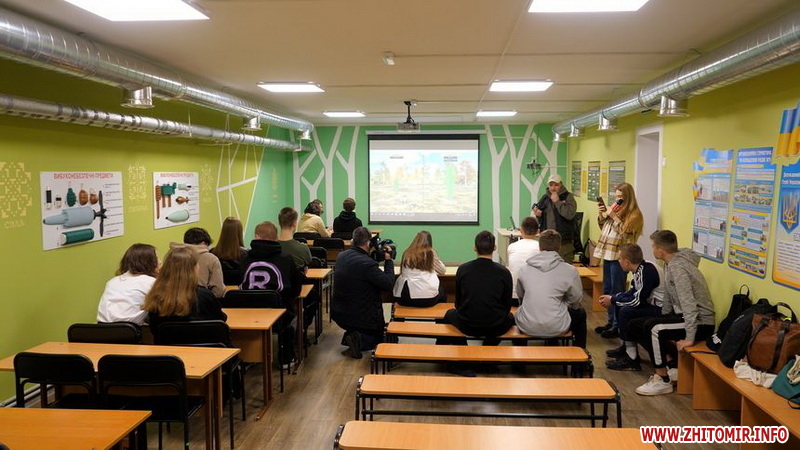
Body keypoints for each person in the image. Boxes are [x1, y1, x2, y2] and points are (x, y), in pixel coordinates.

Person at [626, 230, 716, 396]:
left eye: (653, 246)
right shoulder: (669, 264)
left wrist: (690, 337)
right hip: (683, 317)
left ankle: (662, 379)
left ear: (660, 251)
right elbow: (669, 294)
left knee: (654, 329)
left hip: (701, 322)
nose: (652, 250)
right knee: (635, 325)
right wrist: (663, 316)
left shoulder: (679, 268)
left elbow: (688, 303)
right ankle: (672, 365)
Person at [240, 221, 304, 364]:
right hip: (280, 314)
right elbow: (296, 289)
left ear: (256, 237)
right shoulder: (286, 258)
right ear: (276, 238)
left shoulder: (245, 259)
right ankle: (286, 359)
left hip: (247, 313)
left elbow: (240, 283)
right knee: (290, 320)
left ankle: (246, 358)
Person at [514, 230, 586, 348]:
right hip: (557, 326)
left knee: (520, 311)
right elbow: (575, 299)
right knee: (580, 313)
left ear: (539, 246)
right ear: (559, 247)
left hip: (527, 325)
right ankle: (580, 354)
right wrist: (564, 304)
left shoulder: (524, 269)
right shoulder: (570, 270)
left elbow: (521, 296)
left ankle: (518, 356)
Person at [331, 226, 394, 359]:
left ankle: (352, 334)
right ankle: (359, 339)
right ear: (368, 243)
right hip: (362, 315)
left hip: (340, 313)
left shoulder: (342, 256)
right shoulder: (368, 264)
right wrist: (388, 260)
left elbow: (359, 268)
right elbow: (388, 284)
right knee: (380, 339)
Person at [443, 231, 514, 346]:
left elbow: (458, 303)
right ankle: (489, 346)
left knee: (448, 315)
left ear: (474, 248)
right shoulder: (504, 272)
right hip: (495, 326)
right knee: (510, 318)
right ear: (494, 248)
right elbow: (507, 306)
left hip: (467, 325)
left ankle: (462, 347)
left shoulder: (463, 269)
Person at [143, 246, 227, 342]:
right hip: (207, 349)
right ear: (193, 269)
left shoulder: (156, 297)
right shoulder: (205, 296)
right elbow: (220, 320)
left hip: (168, 350)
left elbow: (153, 329)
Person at [601, 243, 665, 370]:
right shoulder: (639, 269)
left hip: (661, 309)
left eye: (620, 259)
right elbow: (632, 293)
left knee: (626, 311)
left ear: (626, 262)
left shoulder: (647, 271)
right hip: (650, 305)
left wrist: (613, 300)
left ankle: (632, 359)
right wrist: (614, 298)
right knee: (620, 305)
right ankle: (626, 348)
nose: (619, 261)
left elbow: (638, 301)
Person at [593, 182, 644, 339]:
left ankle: (617, 324)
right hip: (608, 253)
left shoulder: (634, 214)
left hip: (619, 256)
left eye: (621, 198)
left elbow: (625, 234)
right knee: (607, 289)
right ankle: (610, 321)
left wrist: (614, 216)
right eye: (616, 197)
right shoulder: (616, 210)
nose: (618, 201)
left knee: (617, 291)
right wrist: (602, 215)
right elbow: (605, 228)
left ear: (628, 197)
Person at [96, 243, 158, 325]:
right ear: (150, 262)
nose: (160, 262)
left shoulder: (112, 282)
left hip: (100, 328)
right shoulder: (151, 282)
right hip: (128, 330)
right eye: (157, 259)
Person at [393, 230, 446, 307]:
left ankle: (397, 314)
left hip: (404, 297)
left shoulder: (407, 253)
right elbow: (442, 270)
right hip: (427, 299)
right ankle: (440, 314)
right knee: (442, 291)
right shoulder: (430, 252)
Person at [532, 174, 577, 262]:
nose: (553, 188)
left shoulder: (568, 197)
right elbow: (539, 214)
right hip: (547, 242)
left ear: (561, 185)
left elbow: (569, 214)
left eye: (556, 185)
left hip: (563, 243)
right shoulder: (545, 198)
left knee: (563, 267)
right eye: (551, 185)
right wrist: (538, 215)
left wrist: (557, 202)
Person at [170, 227, 225, 298]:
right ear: (203, 243)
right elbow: (218, 291)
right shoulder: (211, 259)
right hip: (203, 300)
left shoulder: (174, 256)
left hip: (175, 298)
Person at [507, 216, 540, 302]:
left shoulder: (511, 247)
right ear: (538, 231)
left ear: (521, 230)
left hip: (513, 296)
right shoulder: (540, 248)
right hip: (533, 297)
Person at [210, 217, 248, 286]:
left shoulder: (212, 253)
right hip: (239, 291)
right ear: (239, 233)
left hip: (218, 291)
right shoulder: (246, 254)